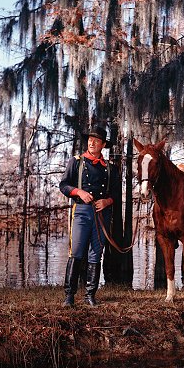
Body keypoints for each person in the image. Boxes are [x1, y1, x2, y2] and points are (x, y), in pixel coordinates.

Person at [59, 125, 120, 306]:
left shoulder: (110, 168)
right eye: (90, 140)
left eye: (97, 140)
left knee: (96, 254)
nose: (92, 142)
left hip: (102, 214)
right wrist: (79, 192)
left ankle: (90, 296)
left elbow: (116, 193)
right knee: (76, 252)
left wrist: (107, 202)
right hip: (81, 212)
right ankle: (69, 297)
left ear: (103, 145)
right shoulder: (76, 162)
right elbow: (64, 185)